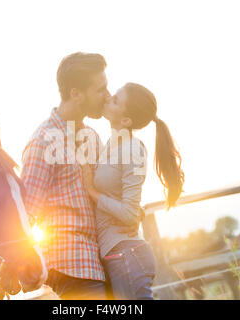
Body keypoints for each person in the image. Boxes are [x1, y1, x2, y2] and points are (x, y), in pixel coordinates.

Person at [20, 52, 112, 299]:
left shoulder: (92, 137)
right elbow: (26, 213)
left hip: (100, 258)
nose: (107, 95)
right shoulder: (43, 142)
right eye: (100, 89)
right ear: (76, 93)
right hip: (71, 262)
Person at [81, 82, 185, 299]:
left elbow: (129, 215)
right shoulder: (111, 145)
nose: (108, 97)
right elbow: (129, 206)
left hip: (126, 256)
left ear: (126, 120)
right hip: (118, 256)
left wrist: (92, 192)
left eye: (116, 99)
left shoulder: (132, 149)